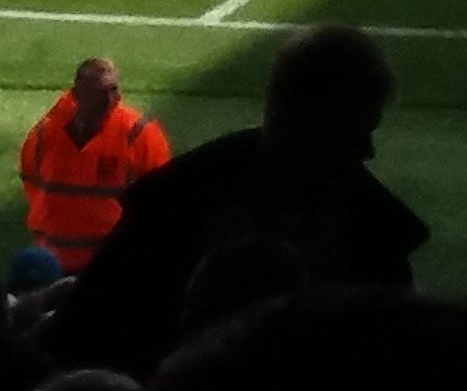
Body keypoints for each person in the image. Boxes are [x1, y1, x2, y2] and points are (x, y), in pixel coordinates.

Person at [41, 23, 425, 380]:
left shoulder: (175, 203)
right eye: (352, 130)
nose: (366, 150)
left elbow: (78, 335)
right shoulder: (374, 234)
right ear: (299, 119)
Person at [17, 55, 168, 275]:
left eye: (114, 90)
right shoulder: (45, 135)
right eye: (99, 93)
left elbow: (161, 202)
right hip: (56, 264)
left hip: (115, 264)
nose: (109, 100)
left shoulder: (140, 135)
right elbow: (32, 187)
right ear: (78, 94)